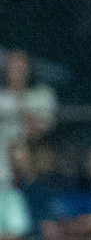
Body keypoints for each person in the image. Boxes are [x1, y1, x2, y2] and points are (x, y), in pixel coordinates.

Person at [0, 49, 58, 186]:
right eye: (13, 66)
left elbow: (39, 132)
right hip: (4, 171)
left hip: (35, 164)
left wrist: (20, 100)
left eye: (21, 66)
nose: (17, 71)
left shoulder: (43, 94)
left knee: (20, 151)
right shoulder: (1, 98)